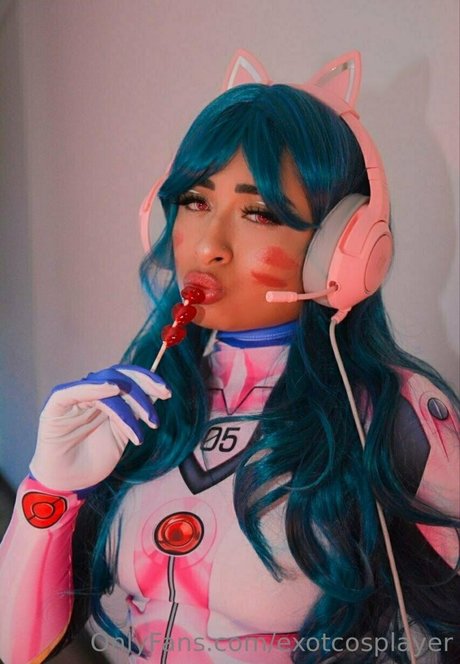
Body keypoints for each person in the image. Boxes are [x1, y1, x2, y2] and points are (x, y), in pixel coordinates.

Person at [0, 50, 458, 664]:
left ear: (341, 247)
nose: (208, 246)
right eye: (195, 201)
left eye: (257, 212)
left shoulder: (399, 416)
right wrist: (49, 490)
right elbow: (15, 647)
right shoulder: (149, 402)